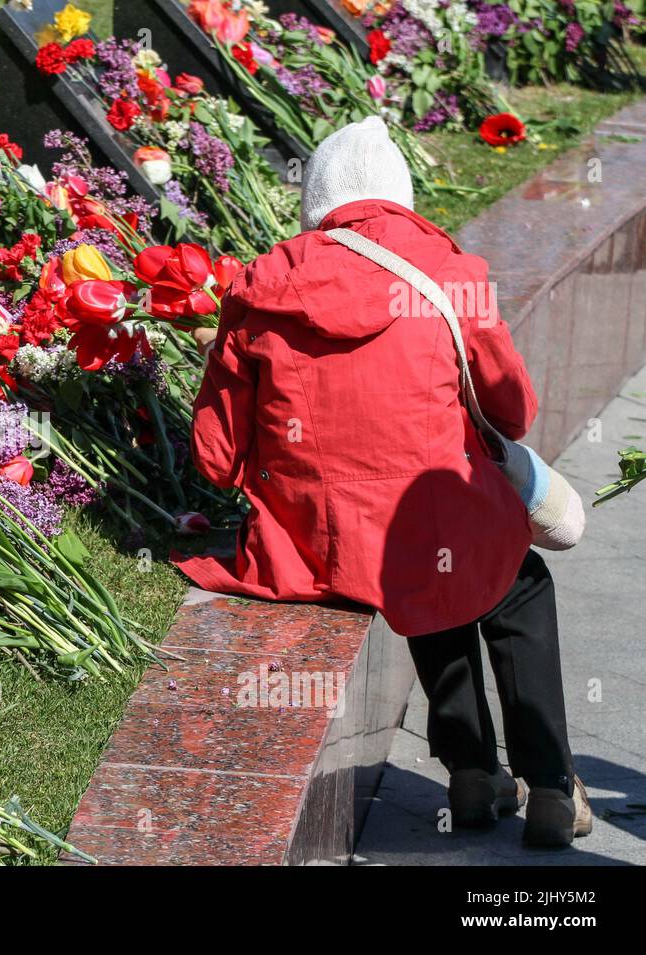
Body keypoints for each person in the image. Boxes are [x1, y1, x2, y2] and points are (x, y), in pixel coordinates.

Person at [183, 116, 591, 847]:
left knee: (413, 558)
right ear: (398, 197)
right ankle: (553, 785)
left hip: (316, 542)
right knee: (507, 577)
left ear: (316, 201)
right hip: (432, 520)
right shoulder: (447, 274)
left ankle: (471, 769)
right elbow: (515, 411)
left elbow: (215, 456)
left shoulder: (260, 286)